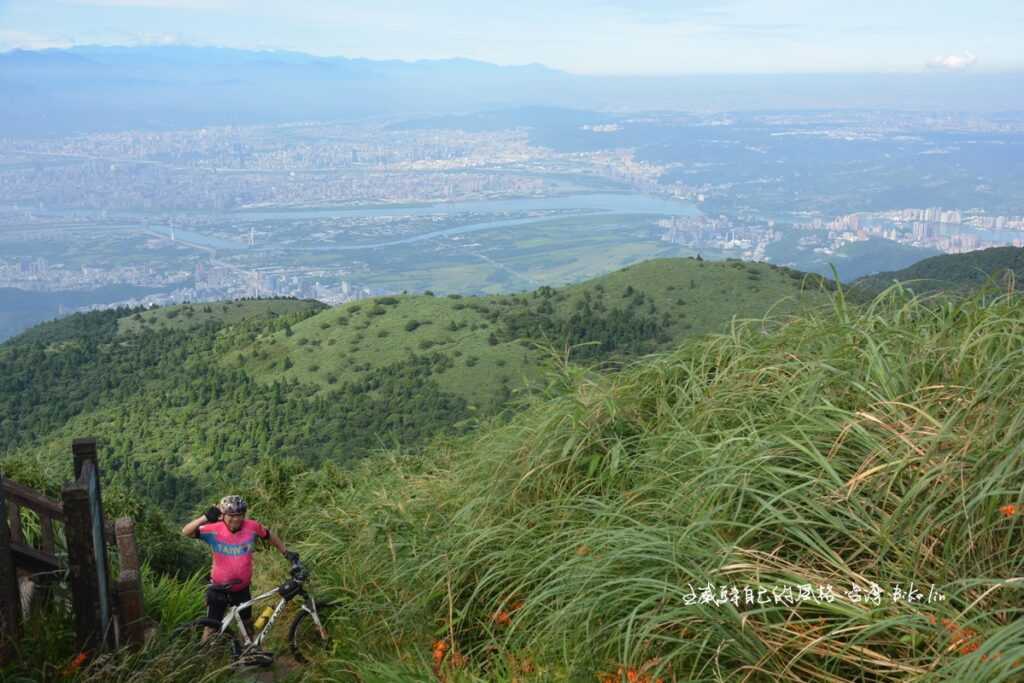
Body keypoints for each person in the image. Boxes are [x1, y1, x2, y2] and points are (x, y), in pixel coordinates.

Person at [181, 494, 297, 641]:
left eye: (240, 514)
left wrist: (286, 553)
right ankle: (206, 657)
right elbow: (186, 531)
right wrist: (205, 517)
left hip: (242, 589)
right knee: (211, 627)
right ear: (223, 515)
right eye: (232, 515)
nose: (236, 519)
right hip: (219, 588)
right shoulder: (213, 529)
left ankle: (248, 654)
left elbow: (269, 536)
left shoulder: (252, 526)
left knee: (247, 625)